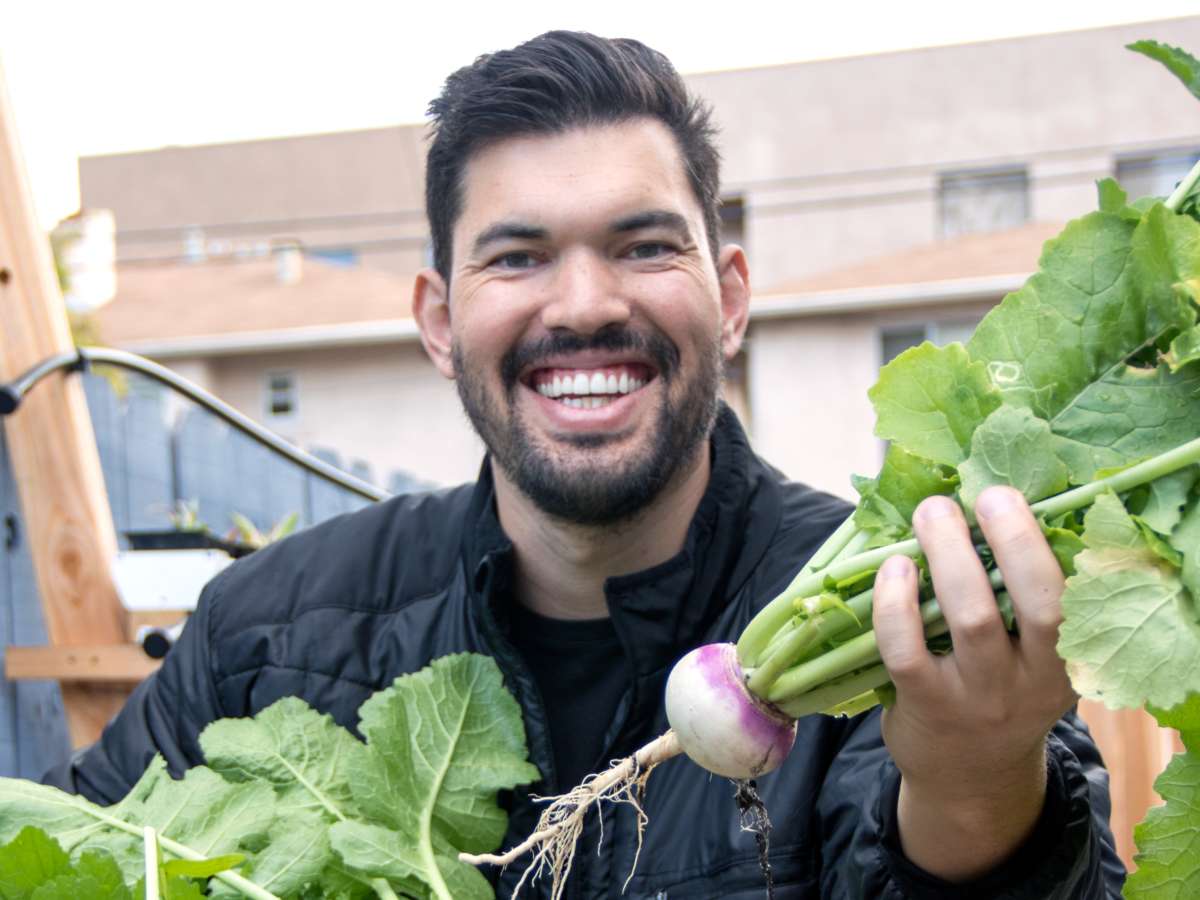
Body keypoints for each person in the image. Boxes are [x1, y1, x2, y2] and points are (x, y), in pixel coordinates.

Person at [46, 31, 1124, 898]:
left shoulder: (916, 620)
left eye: (644, 246)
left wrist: (978, 780)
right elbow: (70, 851)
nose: (583, 304)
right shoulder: (263, 634)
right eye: (518, 257)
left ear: (732, 295)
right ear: (437, 319)